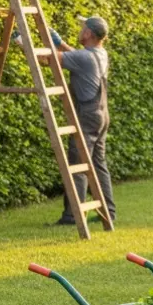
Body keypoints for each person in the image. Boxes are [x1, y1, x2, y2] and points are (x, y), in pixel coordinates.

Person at [50, 16, 116, 226]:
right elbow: (77, 57)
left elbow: (49, 60)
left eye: (82, 27)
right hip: (101, 114)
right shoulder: (100, 53)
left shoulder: (85, 57)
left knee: (78, 163)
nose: (80, 29)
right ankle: (108, 211)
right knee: (98, 164)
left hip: (87, 115)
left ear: (88, 34)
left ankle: (72, 216)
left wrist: (20, 42)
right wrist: (60, 44)